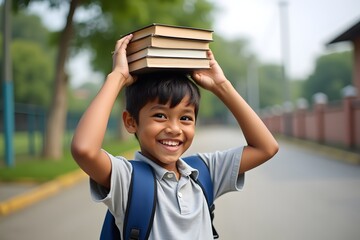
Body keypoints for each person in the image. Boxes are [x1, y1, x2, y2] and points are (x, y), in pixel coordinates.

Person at [71, 34, 279, 239]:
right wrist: (117, 77)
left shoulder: (204, 173)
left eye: (186, 118)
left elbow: (266, 147)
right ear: (131, 122)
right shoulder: (126, 179)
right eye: (160, 115)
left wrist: (221, 86)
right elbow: (84, 150)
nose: (174, 128)